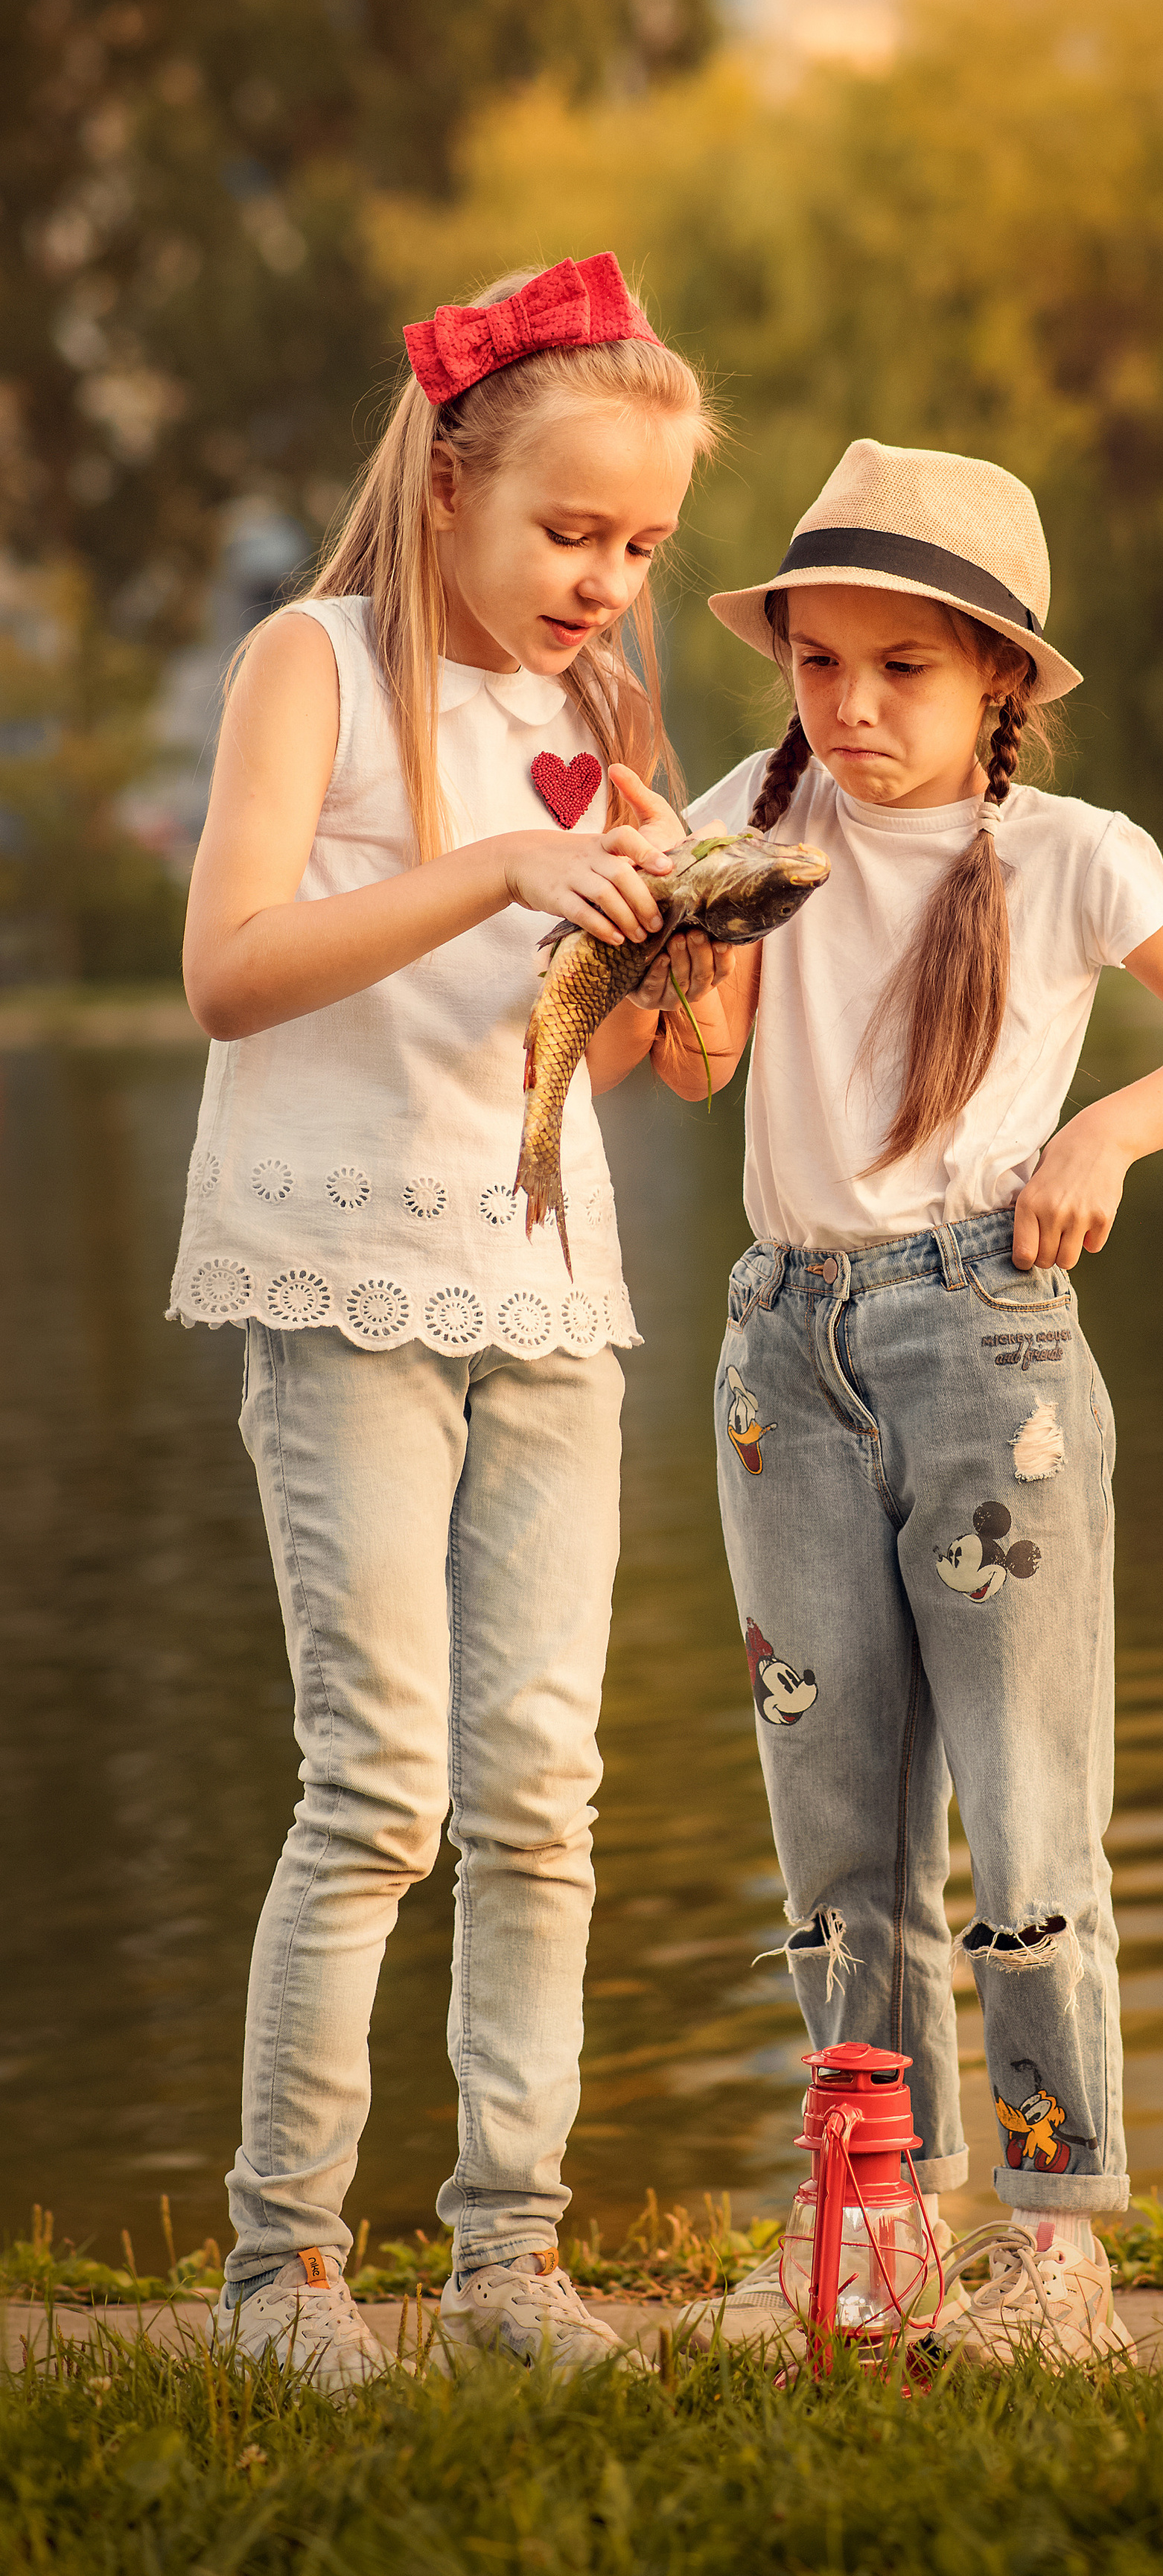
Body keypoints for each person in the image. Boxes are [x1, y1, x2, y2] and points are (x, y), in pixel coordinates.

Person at [668, 440, 1163, 2365]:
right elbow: (698, 1066)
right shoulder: (748, 816)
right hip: (782, 1353)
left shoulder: (1076, 855)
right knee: (835, 1822)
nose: (850, 706)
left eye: (902, 668)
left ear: (1000, 679)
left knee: (1028, 1817)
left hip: (986, 1348)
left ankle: (1056, 2249)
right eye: (818, 662)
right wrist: (676, 967)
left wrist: (1104, 1132)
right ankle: (876, 2225)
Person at [171, 254, 729, 2388]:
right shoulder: (309, 664)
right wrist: (497, 869)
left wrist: (676, 968)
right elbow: (230, 973)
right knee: (380, 1782)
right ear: (446, 493)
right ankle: (285, 2275)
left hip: (548, 1293)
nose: (608, 583)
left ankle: (510, 2263)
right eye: (573, 532)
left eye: (644, 548)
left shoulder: (607, 728)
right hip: (339, 1280)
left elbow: (583, 1068)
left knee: (544, 1793)